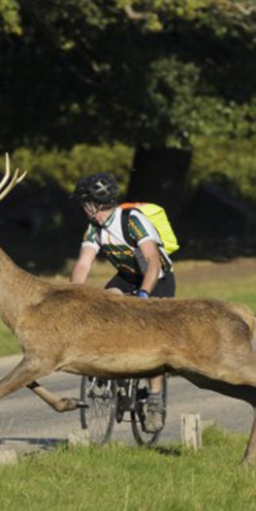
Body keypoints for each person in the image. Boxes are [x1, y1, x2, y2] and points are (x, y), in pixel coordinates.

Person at [70, 172, 175, 433]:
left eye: (84, 203)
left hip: (156, 278)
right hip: (127, 277)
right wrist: (73, 296)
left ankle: (154, 400)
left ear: (94, 204)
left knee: (151, 341)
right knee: (105, 305)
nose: (82, 208)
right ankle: (108, 372)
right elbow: (84, 263)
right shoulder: (94, 229)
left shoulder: (132, 221)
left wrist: (143, 296)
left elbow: (152, 261)